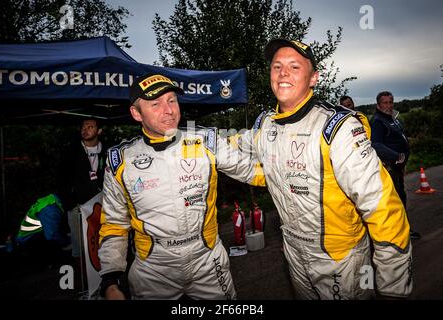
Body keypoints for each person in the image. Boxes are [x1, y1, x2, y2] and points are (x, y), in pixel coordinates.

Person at [242, 39, 413, 299]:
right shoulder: (266, 125)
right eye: (276, 67)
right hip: (294, 250)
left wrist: (394, 288)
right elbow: (237, 152)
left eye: (294, 67)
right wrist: (185, 140)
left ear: (314, 78)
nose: (283, 73)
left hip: (340, 259)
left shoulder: (339, 128)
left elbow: (384, 210)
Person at [98, 73, 263, 300]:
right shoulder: (121, 160)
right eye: (155, 104)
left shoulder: (206, 142)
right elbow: (114, 225)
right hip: (153, 268)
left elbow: (254, 171)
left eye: (172, 100)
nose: (168, 110)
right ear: (137, 113)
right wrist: (111, 279)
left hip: (206, 258)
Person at [370, 91, 421, 240]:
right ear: (378, 105)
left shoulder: (392, 118)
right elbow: (376, 144)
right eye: (385, 103)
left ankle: (402, 229)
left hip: (397, 167)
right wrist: (396, 156)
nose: (389, 105)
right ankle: (399, 233)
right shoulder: (378, 121)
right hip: (389, 168)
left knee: (400, 196)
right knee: (395, 200)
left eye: (390, 102)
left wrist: (402, 161)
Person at [57, 118, 107, 258]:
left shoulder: (107, 150)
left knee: (101, 242)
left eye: (90, 127)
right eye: (83, 127)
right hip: (77, 206)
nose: (85, 130)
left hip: (102, 205)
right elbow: (60, 179)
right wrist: (70, 203)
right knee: (79, 245)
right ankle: (80, 273)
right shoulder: (70, 151)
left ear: (99, 131)